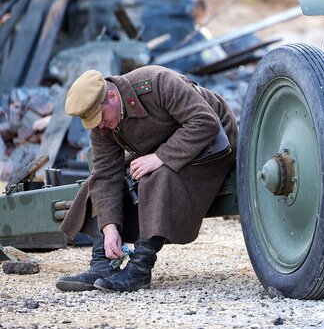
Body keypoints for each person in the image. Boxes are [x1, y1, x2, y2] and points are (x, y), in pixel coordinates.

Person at [55, 65, 238, 293]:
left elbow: (205, 122)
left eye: (100, 117)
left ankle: (139, 271)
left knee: (156, 176)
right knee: (96, 182)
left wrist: (160, 157)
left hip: (212, 142)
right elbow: (106, 175)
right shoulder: (103, 125)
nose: (99, 126)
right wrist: (109, 227)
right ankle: (102, 264)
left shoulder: (157, 83)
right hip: (164, 143)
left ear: (112, 96)